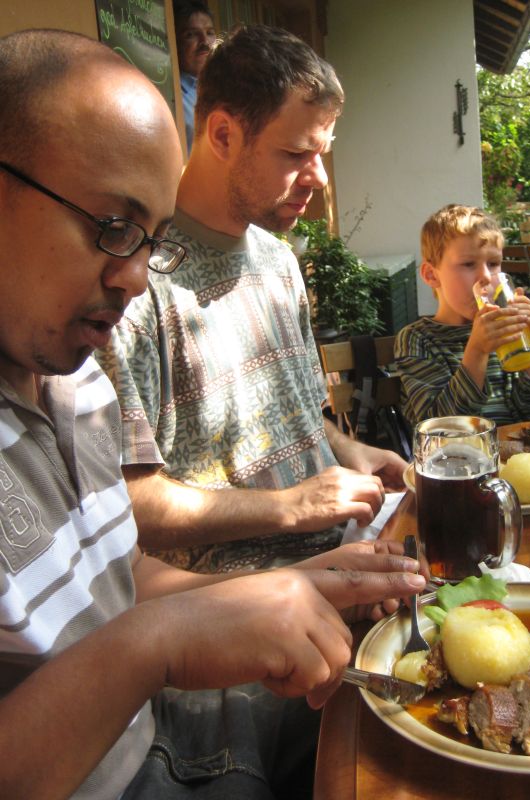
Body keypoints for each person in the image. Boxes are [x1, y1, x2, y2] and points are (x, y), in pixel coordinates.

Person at [0, 28, 427, 800]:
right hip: (170, 704)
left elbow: (118, 572)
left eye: (153, 240)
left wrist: (309, 561)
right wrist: (168, 635)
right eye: (113, 225)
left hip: (196, 680)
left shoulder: (68, 385)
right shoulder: (96, 329)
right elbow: (142, 557)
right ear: (224, 134)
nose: (135, 276)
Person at [96, 25, 408, 574]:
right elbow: (129, 504)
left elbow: (299, 414)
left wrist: (347, 450)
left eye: (323, 152)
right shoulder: (136, 284)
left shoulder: (279, 261)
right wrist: (291, 507)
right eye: (296, 153)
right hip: (247, 602)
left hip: (346, 555)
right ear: (223, 135)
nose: (318, 178)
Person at [393, 204, 530, 428]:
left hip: (518, 449)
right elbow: (439, 429)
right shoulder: (418, 339)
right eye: (468, 264)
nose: (486, 276)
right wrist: (477, 351)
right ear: (432, 275)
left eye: (493, 264)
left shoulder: (510, 326)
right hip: (462, 451)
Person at [173, 0, 217, 154]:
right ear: (174, 42)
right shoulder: (172, 95)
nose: (205, 42)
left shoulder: (228, 86)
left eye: (209, 33)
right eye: (191, 35)